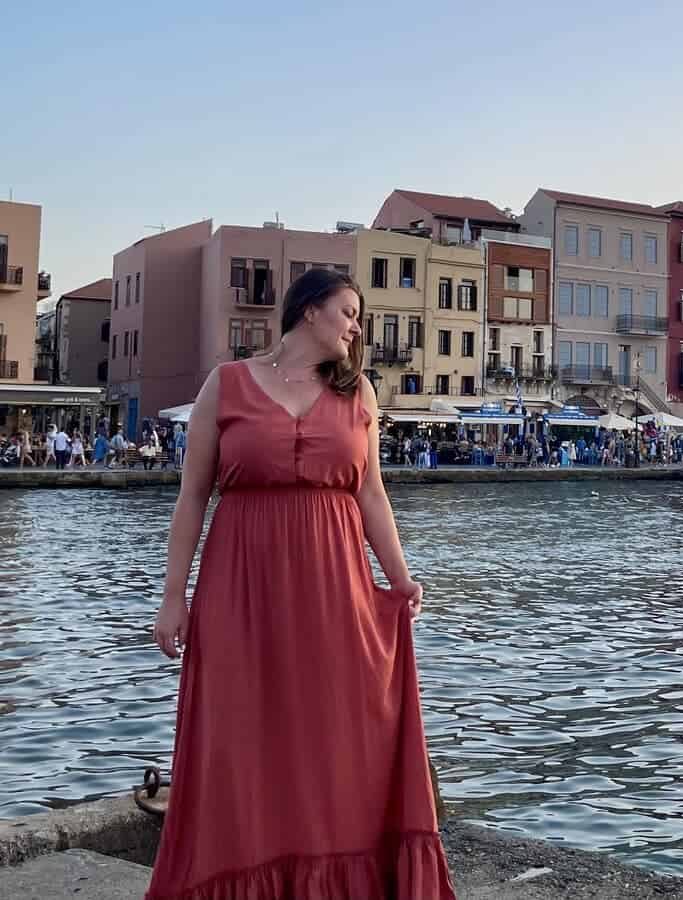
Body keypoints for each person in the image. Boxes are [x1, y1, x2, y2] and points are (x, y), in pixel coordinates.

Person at [147, 269, 454, 899]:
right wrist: (172, 598)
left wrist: (401, 578)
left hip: (333, 589)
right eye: (347, 312)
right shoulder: (225, 385)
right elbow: (191, 497)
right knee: (240, 735)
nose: (355, 326)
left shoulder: (358, 393)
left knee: (336, 735)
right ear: (309, 311)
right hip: (241, 588)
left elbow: (370, 493)